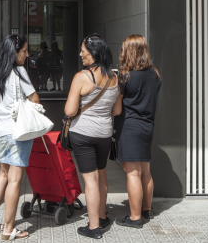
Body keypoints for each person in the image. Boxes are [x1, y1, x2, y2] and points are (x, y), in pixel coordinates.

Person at [64, 33, 121, 239]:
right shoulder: (114, 77)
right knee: (102, 174)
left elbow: (70, 111)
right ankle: (103, 215)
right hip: (104, 133)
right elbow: (116, 111)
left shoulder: (82, 77)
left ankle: (94, 226)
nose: (80, 54)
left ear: (94, 53)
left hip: (83, 133)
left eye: (83, 51)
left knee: (90, 180)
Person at [0, 34, 40, 241]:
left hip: (1, 130)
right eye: (24, 51)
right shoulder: (19, 72)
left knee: (3, 175)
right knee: (15, 180)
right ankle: (8, 229)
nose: (26, 55)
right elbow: (34, 98)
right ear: (14, 52)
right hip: (19, 130)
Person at [113, 35, 161, 228]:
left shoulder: (125, 76)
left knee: (132, 174)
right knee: (145, 172)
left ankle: (135, 218)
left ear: (130, 51)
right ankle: (146, 209)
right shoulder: (154, 74)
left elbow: (117, 107)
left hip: (130, 127)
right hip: (147, 125)